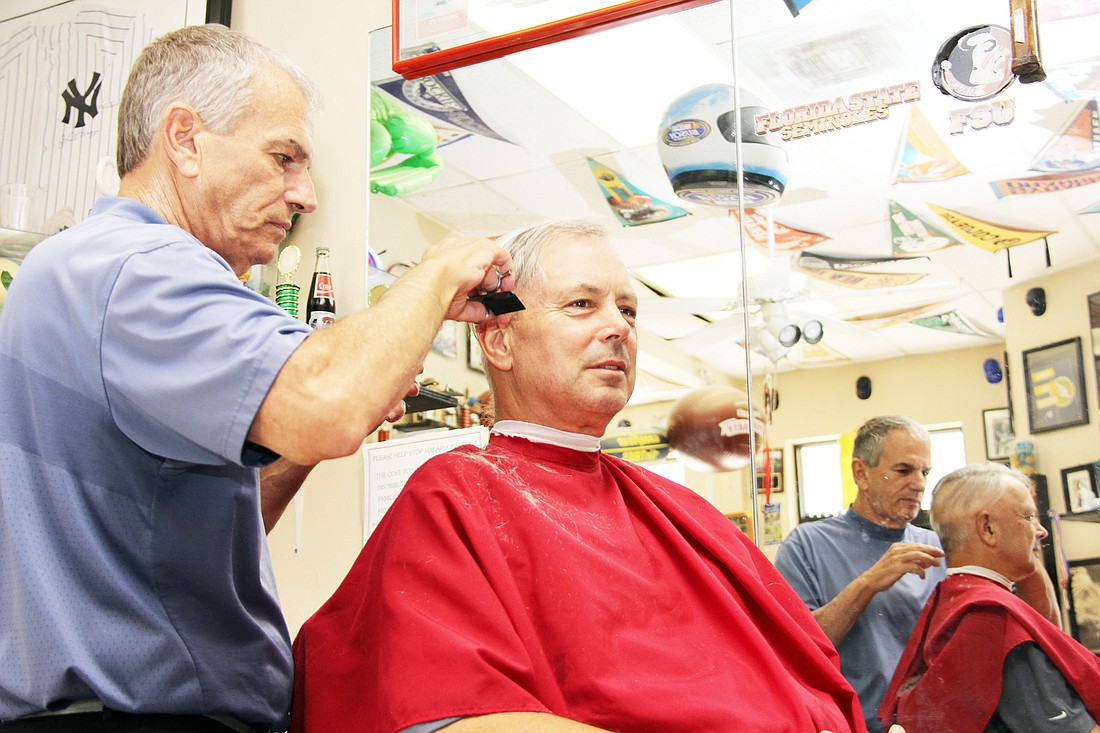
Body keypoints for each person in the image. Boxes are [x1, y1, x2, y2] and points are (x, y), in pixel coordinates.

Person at [0, 24, 514, 732]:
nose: (304, 193)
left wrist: (327, 414)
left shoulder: (86, 271)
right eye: (283, 158)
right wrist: (434, 273)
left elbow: (199, 532)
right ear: (184, 138)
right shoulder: (136, 267)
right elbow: (328, 401)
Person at [290, 219, 872, 733]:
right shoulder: (456, 495)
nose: (619, 327)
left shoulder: (682, 510)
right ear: (499, 340)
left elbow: (806, 671)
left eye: (628, 309)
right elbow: (436, 710)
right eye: (580, 305)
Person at [880, 463, 1100, 733]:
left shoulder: (953, 598)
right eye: (1029, 517)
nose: (1041, 531)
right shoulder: (993, 619)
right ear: (988, 528)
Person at [774, 415, 949, 733]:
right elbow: (796, 648)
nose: (920, 483)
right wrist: (868, 583)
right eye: (903, 470)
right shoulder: (807, 544)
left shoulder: (934, 546)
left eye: (925, 472)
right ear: (861, 473)